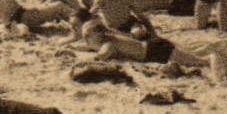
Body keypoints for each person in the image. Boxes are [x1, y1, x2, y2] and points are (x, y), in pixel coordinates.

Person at [77, 17, 210, 71]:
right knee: (193, 55)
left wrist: (81, 61)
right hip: (153, 46)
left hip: (155, 51)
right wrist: (70, 49)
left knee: (200, 62)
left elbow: (100, 56)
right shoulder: (106, 37)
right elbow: (90, 47)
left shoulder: (107, 42)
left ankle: (222, 59)